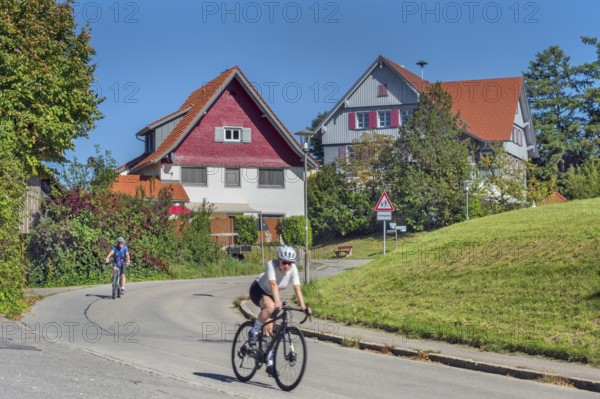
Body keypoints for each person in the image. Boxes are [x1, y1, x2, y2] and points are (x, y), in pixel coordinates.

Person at [248, 245, 312, 373]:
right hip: (258, 290)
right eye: (284, 262)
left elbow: (297, 289)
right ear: (279, 260)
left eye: (289, 263)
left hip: (272, 294)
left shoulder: (292, 270)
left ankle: (269, 362)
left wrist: (303, 307)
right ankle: (253, 331)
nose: (287, 266)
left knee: (270, 330)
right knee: (271, 306)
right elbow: (273, 284)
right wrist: (277, 301)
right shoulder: (271, 265)